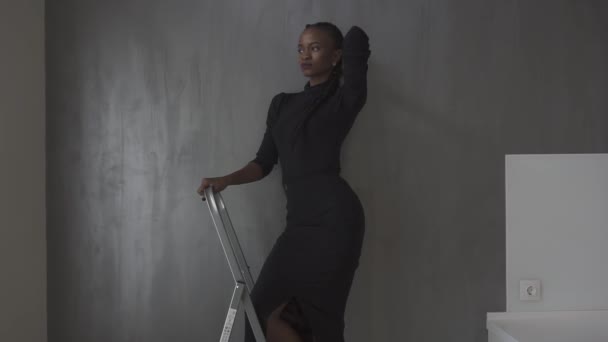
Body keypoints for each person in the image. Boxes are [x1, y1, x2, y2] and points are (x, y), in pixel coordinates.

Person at [197, 22, 371, 342]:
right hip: (299, 225)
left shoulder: (342, 100)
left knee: (320, 323)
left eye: (315, 48)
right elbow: (263, 163)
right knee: (260, 313)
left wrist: (344, 50)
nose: (305, 55)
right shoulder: (281, 105)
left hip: (336, 221)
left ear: (335, 57)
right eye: (301, 48)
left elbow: (357, 39)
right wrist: (226, 180)